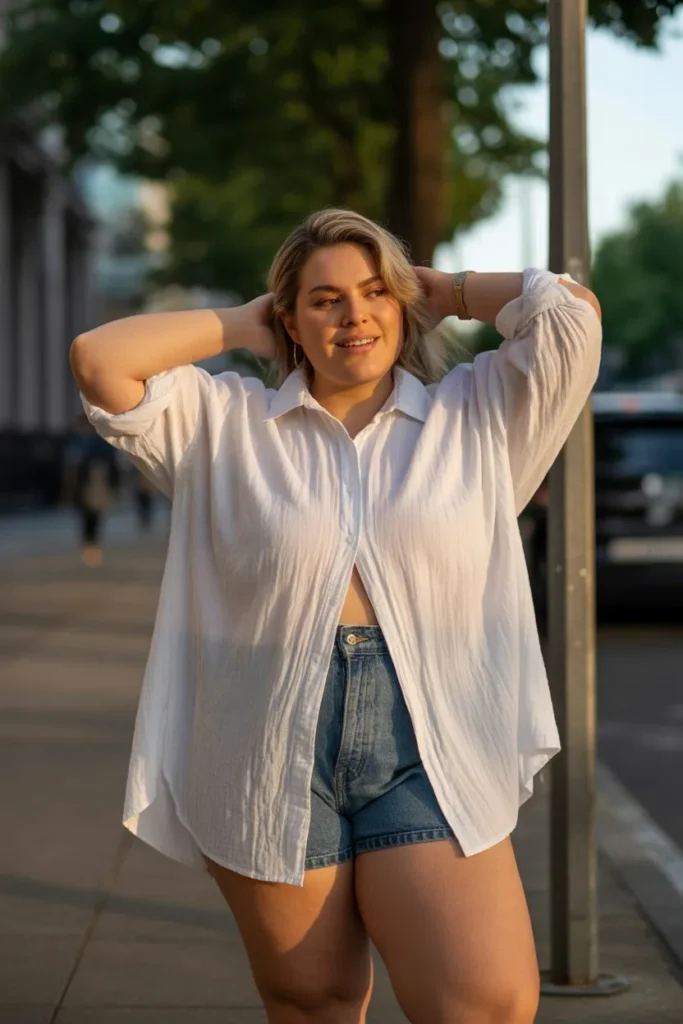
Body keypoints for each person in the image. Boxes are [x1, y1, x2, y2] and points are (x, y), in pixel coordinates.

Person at [70, 209, 602, 1024]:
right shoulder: (224, 423)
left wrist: (444, 290)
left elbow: (568, 313)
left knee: (485, 1003)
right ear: (289, 318)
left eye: (372, 293)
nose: (353, 314)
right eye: (323, 300)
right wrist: (246, 323)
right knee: (313, 1000)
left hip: (429, 737)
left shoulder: (480, 414)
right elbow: (100, 361)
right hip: (267, 739)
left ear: (401, 302)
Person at [62, 413, 120, 567]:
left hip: (97, 484)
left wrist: (113, 485)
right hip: (82, 485)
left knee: (95, 514)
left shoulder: (100, 442)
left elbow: (112, 465)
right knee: (84, 515)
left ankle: (92, 543)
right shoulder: (77, 441)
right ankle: (89, 543)